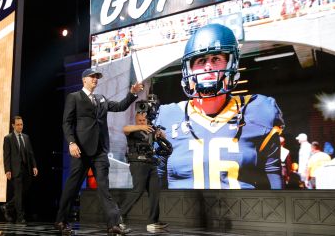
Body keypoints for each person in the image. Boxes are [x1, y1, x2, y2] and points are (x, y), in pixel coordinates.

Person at [155, 23, 285, 189]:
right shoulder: (167, 116)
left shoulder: (259, 111)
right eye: (201, 61)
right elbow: (157, 186)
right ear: (188, 69)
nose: (208, 66)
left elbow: (275, 188)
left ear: (230, 64)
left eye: (216, 59)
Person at [54, 68, 143, 234]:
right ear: (84, 80)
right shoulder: (74, 97)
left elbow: (120, 106)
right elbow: (66, 123)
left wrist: (132, 93)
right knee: (72, 187)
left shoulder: (101, 98)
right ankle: (60, 220)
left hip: (100, 151)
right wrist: (72, 143)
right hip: (80, 150)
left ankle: (113, 224)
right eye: (92, 77)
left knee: (104, 188)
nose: (95, 79)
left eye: (97, 77)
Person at [119, 112, 169, 232]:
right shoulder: (133, 130)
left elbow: (164, 138)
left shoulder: (150, 130)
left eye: (144, 121)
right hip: (138, 163)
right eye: (140, 120)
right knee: (138, 190)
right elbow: (124, 129)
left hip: (151, 164)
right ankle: (119, 216)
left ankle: (153, 221)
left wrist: (160, 134)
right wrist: (141, 127)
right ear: (136, 120)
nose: (142, 122)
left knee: (154, 192)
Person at [2, 116, 38, 224]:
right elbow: (6, 156)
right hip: (15, 170)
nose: (20, 126)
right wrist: (7, 170)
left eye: (21, 124)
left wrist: (34, 166)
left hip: (26, 169)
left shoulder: (26, 137)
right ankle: (20, 217)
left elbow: (31, 153)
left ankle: (7, 206)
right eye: (18, 124)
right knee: (18, 193)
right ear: (13, 125)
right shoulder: (8, 138)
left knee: (22, 193)